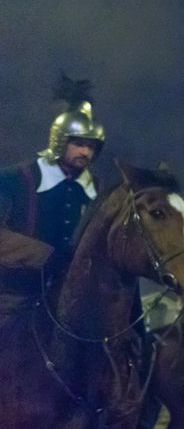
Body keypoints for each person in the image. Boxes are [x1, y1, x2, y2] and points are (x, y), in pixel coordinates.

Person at [0, 76, 105, 314]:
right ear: (59, 140)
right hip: (13, 297)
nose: (85, 151)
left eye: (91, 146)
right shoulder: (14, 179)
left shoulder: (96, 192)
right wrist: (45, 256)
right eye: (78, 143)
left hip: (71, 302)